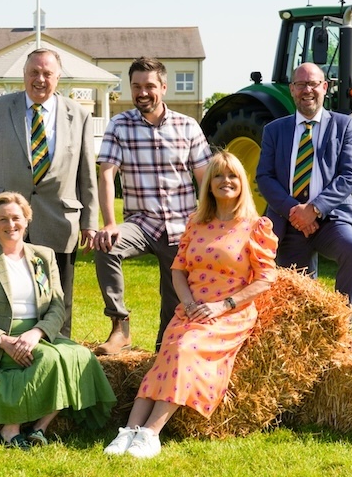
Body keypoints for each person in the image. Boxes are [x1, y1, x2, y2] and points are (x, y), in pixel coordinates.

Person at [104, 150, 278, 458]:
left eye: (233, 176)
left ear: (242, 183)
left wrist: (223, 305)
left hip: (229, 313)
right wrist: (187, 303)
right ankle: (128, 431)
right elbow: (179, 270)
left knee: (185, 349)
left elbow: (265, 279)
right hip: (191, 307)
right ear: (208, 184)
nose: (226, 181)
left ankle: (150, 433)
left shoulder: (255, 226)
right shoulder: (196, 224)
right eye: (219, 176)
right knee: (166, 354)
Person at [0, 192, 116, 449]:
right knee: (49, 360)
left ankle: (39, 428)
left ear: (27, 220)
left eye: (16, 218)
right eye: (2, 219)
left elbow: (56, 306)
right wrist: (4, 342)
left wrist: (37, 333)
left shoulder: (43, 255)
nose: (10, 225)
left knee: (82, 357)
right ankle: (10, 430)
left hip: (37, 335)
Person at [0, 48, 98, 338]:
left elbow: (87, 173)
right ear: (24, 75)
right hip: (6, 221)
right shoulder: (0, 109)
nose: (40, 79)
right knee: (6, 296)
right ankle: (9, 355)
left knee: (58, 300)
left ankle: (58, 357)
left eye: (47, 73)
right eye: (33, 73)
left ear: (58, 77)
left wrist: (89, 222)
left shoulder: (78, 115)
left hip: (59, 221)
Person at [93, 56, 212, 354]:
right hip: (140, 224)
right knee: (106, 246)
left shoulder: (188, 126)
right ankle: (120, 327)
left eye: (149, 86)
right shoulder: (119, 125)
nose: (142, 93)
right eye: (136, 86)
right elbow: (106, 173)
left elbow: (206, 179)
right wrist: (108, 224)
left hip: (181, 227)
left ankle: (164, 352)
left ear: (163, 87)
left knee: (173, 308)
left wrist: (209, 224)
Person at [255, 62, 352, 311]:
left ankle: (342, 329)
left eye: (313, 83)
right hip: (289, 221)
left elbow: (349, 175)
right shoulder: (274, 130)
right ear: (292, 89)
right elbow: (265, 176)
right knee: (295, 296)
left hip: (332, 218)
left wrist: (314, 209)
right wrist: (295, 211)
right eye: (301, 84)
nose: (308, 90)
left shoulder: (344, 125)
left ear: (324, 87)